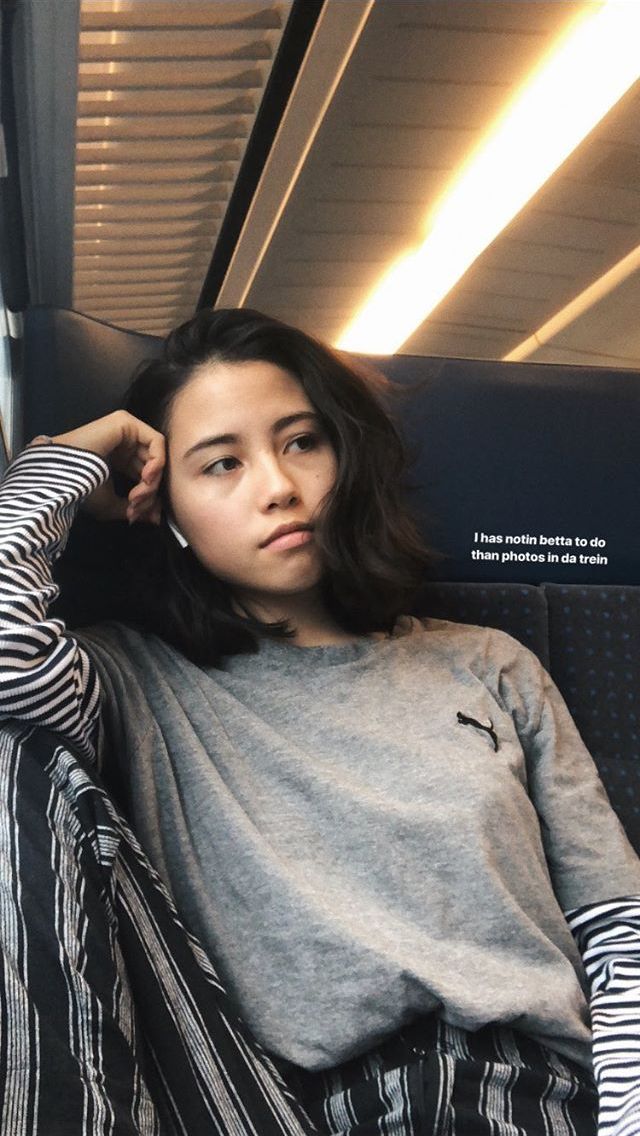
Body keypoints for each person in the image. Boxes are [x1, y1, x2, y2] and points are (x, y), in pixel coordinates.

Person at [0, 307, 639, 1136]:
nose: (278, 486)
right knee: (16, 757)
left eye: (302, 441)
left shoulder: (487, 662)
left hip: (528, 1094)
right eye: (220, 464)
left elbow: (617, 927)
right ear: (168, 511)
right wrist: (66, 463)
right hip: (278, 1103)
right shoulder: (134, 679)